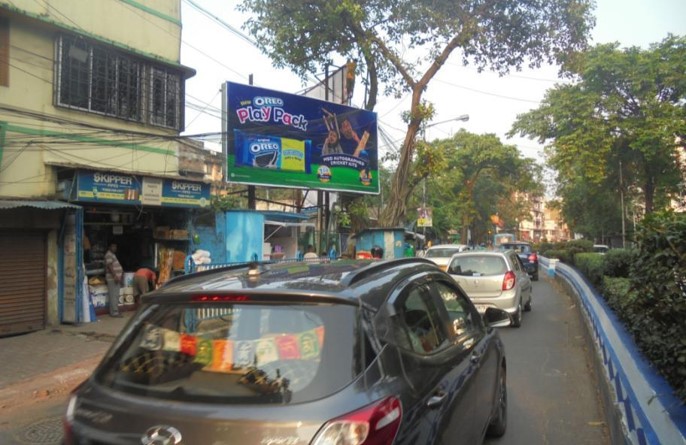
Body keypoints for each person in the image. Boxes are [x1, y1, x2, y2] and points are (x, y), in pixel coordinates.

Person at [104, 242, 123, 317]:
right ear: (109, 247)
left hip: (115, 278)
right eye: (113, 246)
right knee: (113, 295)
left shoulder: (112, 254)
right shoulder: (108, 254)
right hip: (112, 278)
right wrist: (115, 275)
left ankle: (114, 311)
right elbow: (109, 266)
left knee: (115, 295)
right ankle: (114, 312)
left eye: (115, 246)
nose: (115, 248)